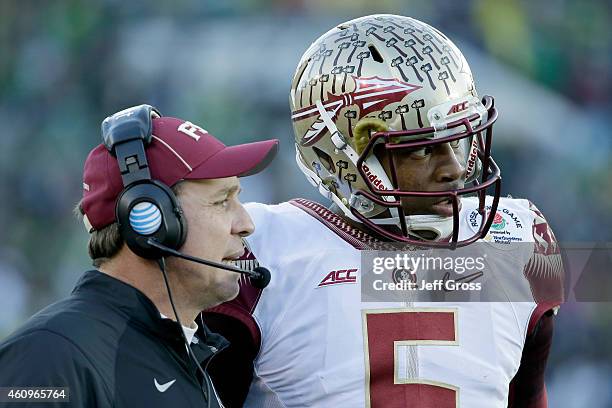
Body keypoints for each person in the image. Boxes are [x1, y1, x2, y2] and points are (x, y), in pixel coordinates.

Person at [201, 15, 564, 408]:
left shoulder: (517, 236)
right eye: (422, 148)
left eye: (459, 139)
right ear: (343, 154)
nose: (454, 168)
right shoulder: (258, 249)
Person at [0, 104, 278, 407]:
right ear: (151, 220)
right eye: (222, 201)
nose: (246, 224)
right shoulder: (51, 357)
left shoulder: (190, 358)